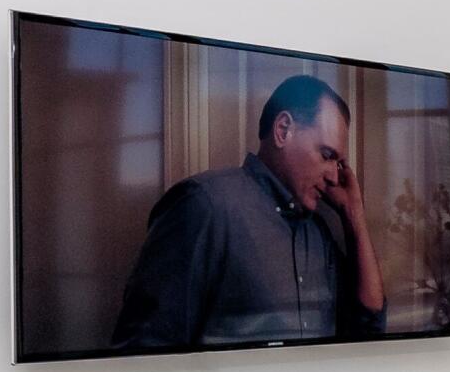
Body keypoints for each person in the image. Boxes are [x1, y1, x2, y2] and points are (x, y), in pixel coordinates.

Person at [110, 73, 386, 350]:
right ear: (283, 130)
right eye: (327, 155)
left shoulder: (317, 233)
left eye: (338, 163)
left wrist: (354, 214)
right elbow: (143, 348)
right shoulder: (205, 206)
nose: (334, 177)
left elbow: (369, 327)